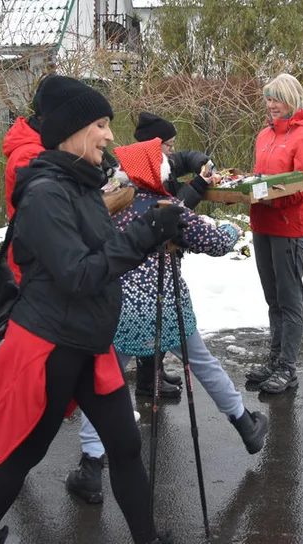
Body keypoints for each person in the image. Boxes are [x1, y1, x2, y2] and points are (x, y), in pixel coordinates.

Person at [0, 75, 183, 544]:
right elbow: (79, 274)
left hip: (89, 338)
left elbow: (103, 248)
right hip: (53, 344)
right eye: (101, 124)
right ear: (73, 130)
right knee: (26, 450)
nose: (109, 135)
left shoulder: (80, 183)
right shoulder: (46, 194)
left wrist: (153, 222)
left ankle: (146, 537)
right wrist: (144, 236)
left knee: (125, 445)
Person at [65, 138, 269, 506]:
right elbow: (214, 242)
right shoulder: (168, 207)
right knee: (204, 364)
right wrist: (231, 232)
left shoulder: (108, 205)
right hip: (169, 307)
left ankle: (91, 467)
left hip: (118, 311)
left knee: (102, 383)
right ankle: (245, 425)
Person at [244, 73, 303, 394]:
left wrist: (266, 193)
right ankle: (274, 360)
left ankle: (288, 368)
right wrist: (245, 188)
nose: (271, 104)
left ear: (292, 99)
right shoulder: (264, 135)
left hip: (289, 230)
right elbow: (260, 179)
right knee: (272, 298)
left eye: (277, 98)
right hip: (261, 226)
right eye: (268, 98)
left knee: (289, 301)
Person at [131, 111, 215, 397]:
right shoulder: (146, 173)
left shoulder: (161, 161)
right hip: (149, 260)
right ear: (154, 146)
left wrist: (202, 163)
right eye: (168, 144)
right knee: (151, 316)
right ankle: (147, 384)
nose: (172, 150)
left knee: (157, 313)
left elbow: (187, 156)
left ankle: (155, 373)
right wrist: (199, 185)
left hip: (161, 256)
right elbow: (172, 209)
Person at [2, 75, 53, 284]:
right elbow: (43, 219)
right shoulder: (30, 155)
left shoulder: (42, 147)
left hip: (41, 265)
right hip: (31, 270)